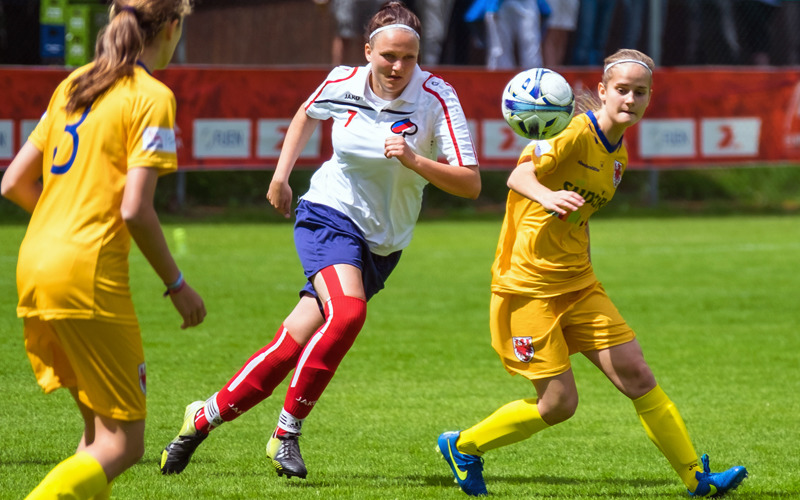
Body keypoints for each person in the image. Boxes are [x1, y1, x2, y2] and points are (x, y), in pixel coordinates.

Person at [160, 0, 480, 480]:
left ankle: (200, 418)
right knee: (349, 312)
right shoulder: (343, 81)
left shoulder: (437, 97)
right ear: (368, 50)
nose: (397, 67)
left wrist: (416, 161)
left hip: (382, 245)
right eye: (388, 56)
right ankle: (286, 433)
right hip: (329, 215)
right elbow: (306, 114)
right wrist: (281, 176)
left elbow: (470, 184)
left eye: (408, 58)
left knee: (291, 346)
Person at [435, 49, 748, 497]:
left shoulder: (618, 152)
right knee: (560, 404)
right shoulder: (571, 132)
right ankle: (464, 446)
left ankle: (697, 479)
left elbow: (577, 217)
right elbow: (518, 177)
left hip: (578, 284)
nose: (630, 99)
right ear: (602, 90)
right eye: (622, 89)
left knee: (638, 373)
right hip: (528, 287)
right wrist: (546, 195)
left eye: (640, 92)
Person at [0, 1, 205, 499]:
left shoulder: (73, 83)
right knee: (127, 444)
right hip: (87, 275)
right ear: (172, 26)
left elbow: (12, 182)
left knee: (97, 436)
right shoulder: (151, 96)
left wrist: (62, 224)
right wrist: (177, 285)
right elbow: (136, 210)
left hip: (35, 262)